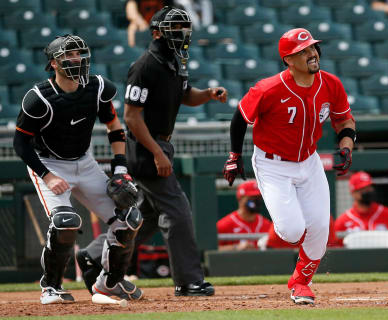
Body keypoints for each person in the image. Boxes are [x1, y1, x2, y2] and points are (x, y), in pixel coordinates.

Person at [77, 6, 228, 296]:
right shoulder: (146, 65)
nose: (182, 33)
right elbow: (132, 117)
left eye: (185, 28)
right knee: (177, 210)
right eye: (175, 28)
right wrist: (157, 153)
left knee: (144, 216)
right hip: (146, 146)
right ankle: (188, 281)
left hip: (160, 144)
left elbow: (185, 95)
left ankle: (94, 255)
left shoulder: (175, 61)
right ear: (157, 31)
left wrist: (208, 94)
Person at [223, 28, 356, 305]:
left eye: (312, 48)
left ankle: (300, 282)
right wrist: (234, 156)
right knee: (293, 230)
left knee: (321, 227)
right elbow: (240, 117)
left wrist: (346, 146)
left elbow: (345, 121)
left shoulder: (330, 84)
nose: (312, 54)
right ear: (288, 59)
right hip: (273, 164)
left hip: (309, 161)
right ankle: (285, 235)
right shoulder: (268, 88)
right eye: (303, 51)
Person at [13, 34, 143, 304]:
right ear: (54, 64)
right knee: (65, 223)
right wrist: (47, 176)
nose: (76, 60)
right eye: (68, 56)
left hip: (85, 161)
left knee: (129, 217)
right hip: (47, 162)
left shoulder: (97, 87)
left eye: (79, 54)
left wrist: (120, 169)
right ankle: (51, 287)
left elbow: (115, 128)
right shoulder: (39, 98)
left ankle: (109, 283)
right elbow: (20, 144)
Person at [333, 171, 388, 247]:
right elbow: (336, 249)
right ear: (353, 193)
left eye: (369, 187)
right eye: (363, 189)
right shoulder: (343, 221)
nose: (368, 191)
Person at [216, 180, 272, 251]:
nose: (256, 201)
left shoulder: (267, 224)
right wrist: (236, 248)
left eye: (258, 197)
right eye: (252, 198)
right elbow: (212, 250)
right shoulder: (224, 224)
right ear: (240, 199)